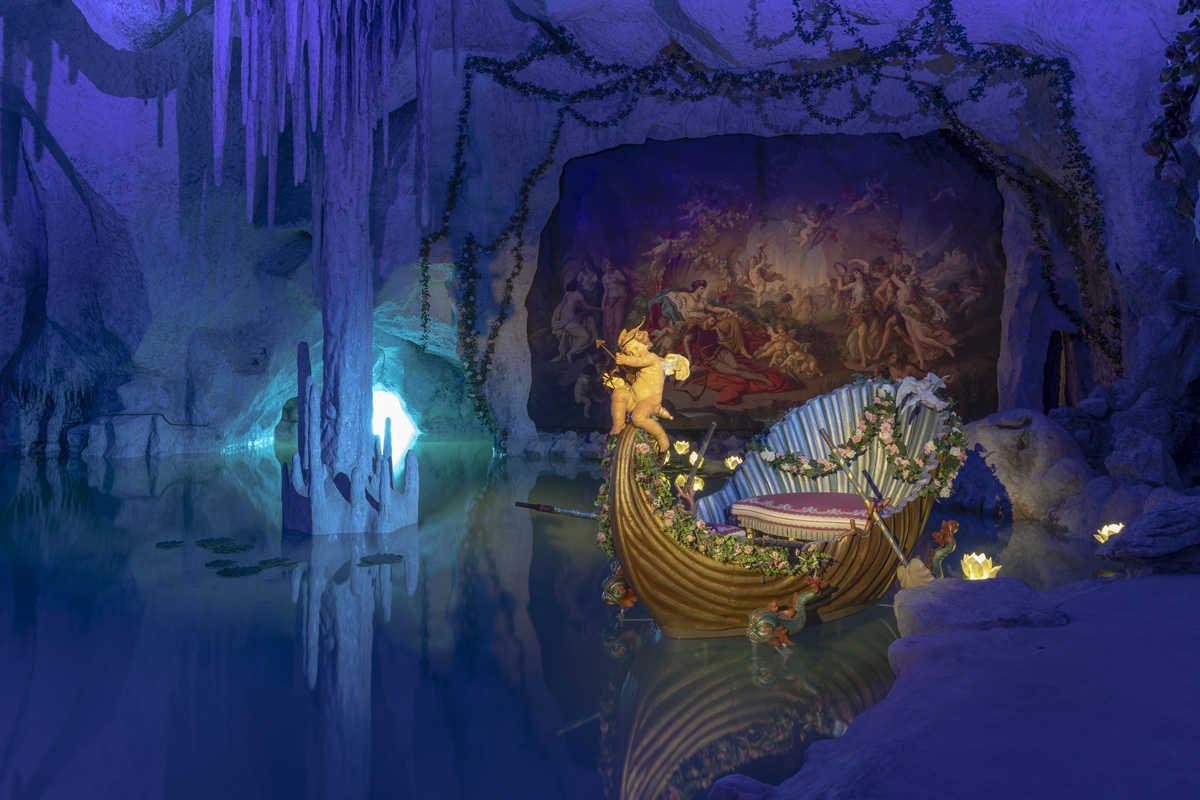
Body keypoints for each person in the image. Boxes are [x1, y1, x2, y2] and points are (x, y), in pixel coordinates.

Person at [607, 328, 672, 454]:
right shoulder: (640, 367)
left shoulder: (652, 358)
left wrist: (626, 360)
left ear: (646, 344)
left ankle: (661, 436)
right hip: (634, 400)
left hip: (650, 402)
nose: (635, 354)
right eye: (630, 353)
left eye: (636, 348)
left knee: (638, 418)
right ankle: (619, 423)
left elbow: (638, 361)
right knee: (619, 393)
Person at [550, 280, 600, 363]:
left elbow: (568, 307)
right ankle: (571, 352)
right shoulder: (578, 295)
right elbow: (589, 308)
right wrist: (600, 309)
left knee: (588, 320)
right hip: (569, 322)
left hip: (563, 321)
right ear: (578, 286)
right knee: (586, 337)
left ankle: (594, 340)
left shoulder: (567, 294)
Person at [600, 258, 631, 346]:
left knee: (619, 322)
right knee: (609, 324)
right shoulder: (604, 277)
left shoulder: (616, 272)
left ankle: (617, 345)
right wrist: (603, 302)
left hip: (620, 299)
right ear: (605, 266)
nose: (610, 267)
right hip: (610, 300)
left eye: (611, 265)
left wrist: (615, 277)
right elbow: (606, 291)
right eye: (608, 265)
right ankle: (614, 343)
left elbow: (624, 279)